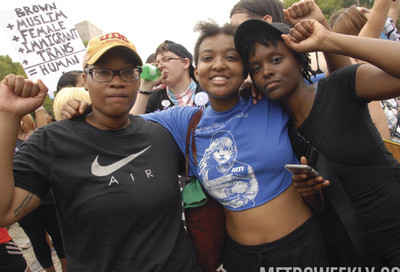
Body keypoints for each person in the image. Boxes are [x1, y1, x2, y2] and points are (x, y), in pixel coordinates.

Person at [61, 21, 329, 271]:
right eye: (209, 57)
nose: (219, 65)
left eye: (231, 57)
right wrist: (88, 110)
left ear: (246, 69)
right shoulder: (185, 122)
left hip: (301, 246)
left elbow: (334, 82)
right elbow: (126, 123)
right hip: (241, 258)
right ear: (197, 70)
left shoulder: (269, 100)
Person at [0, 32, 199, 272]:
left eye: (128, 71)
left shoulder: (162, 133)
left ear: (139, 78)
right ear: (85, 79)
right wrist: (9, 116)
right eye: (103, 72)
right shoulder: (52, 142)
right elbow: (6, 213)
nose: (117, 81)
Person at [235, 17, 400, 266]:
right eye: (256, 68)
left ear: (300, 59)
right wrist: (310, 192)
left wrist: (327, 40)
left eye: (276, 59)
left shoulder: (340, 86)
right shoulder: (279, 132)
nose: (266, 71)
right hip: (349, 249)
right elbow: (321, 206)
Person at [329, 0, 400, 142]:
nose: (369, 10)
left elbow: (393, 7)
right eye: (365, 11)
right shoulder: (362, 49)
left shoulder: (387, 34)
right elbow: (381, 8)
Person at [16, 114, 67, 272]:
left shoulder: (36, 134)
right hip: (21, 199)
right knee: (38, 240)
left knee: (59, 237)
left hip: (49, 197)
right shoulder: (5, 140)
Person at [130, 40, 207, 115]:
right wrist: (145, 88)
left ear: (186, 63)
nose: (160, 66)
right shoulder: (155, 97)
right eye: (158, 62)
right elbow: (132, 125)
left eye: (166, 59)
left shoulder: (206, 91)